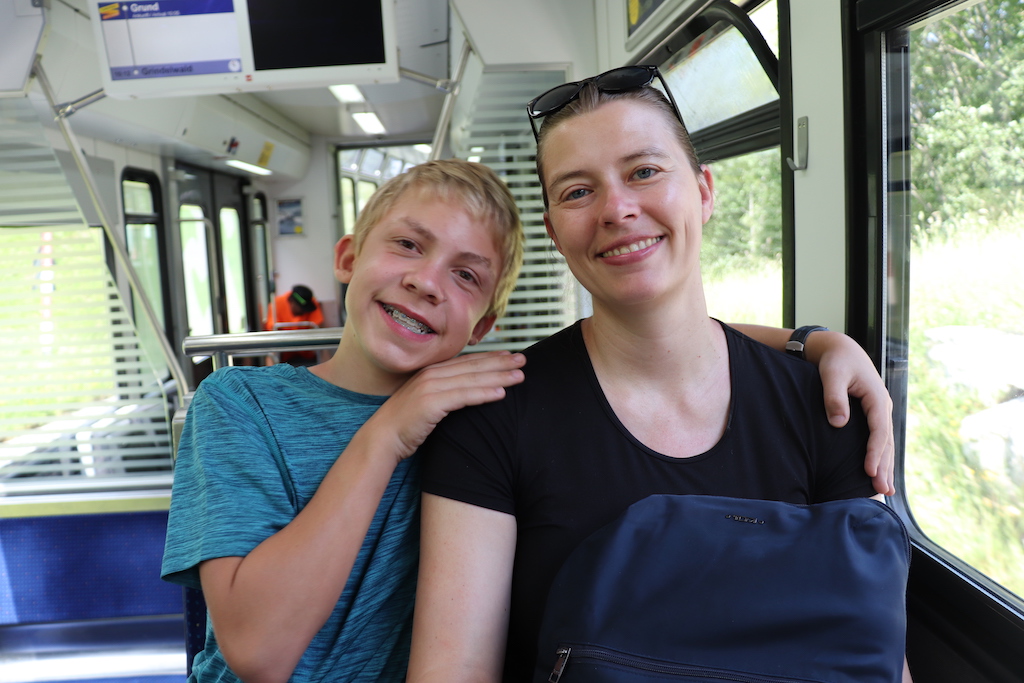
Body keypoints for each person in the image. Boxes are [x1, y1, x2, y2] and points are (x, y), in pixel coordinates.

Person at [406, 66, 910, 682]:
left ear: (703, 192)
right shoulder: (492, 419)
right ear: (555, 234)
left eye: (644, 171)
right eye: (577, 192)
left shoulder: (822, 404)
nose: (617, 209)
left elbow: (871, 657)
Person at [161, 159, 528, 683]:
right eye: (407, 244)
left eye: (466, 275)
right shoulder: (239, 403)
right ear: (349, 258)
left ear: (482, 326)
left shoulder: (480, 431)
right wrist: (386, 435)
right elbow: (259, 652)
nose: (426, 282)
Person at [264, 284, 326, 365]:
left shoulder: (311, 302)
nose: (304, 312)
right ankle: (272, 376)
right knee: (270, 354)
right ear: (292, 302)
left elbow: (319, 327)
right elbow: (272, 330)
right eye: (302, 309)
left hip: (306, 350)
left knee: (324, 347)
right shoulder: (276, 305)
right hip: (283, 351)